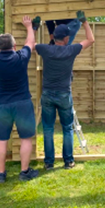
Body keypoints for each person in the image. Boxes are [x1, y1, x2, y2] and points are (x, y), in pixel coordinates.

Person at [36, 11, 95, 170]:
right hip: (64, 94)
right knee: (67, 128)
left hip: (47, 94)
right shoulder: (70, 50)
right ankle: (68, 161)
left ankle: (49, 163)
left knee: (48, 129)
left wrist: (33, 28)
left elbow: (29, 45)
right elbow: (91, 40)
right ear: (67, 39)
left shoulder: (45, 50)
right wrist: (84, 22)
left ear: (53, 37)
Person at [0, 16, 39, 183]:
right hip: (22, 104)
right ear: (14, 46)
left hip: (1, 106)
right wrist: (29, 27)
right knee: (26, 138)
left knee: (1, 140)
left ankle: (1, 174)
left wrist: (3, 42)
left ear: (0, 47)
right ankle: (24, 172)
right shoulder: (20, 57)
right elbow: (30, 43)